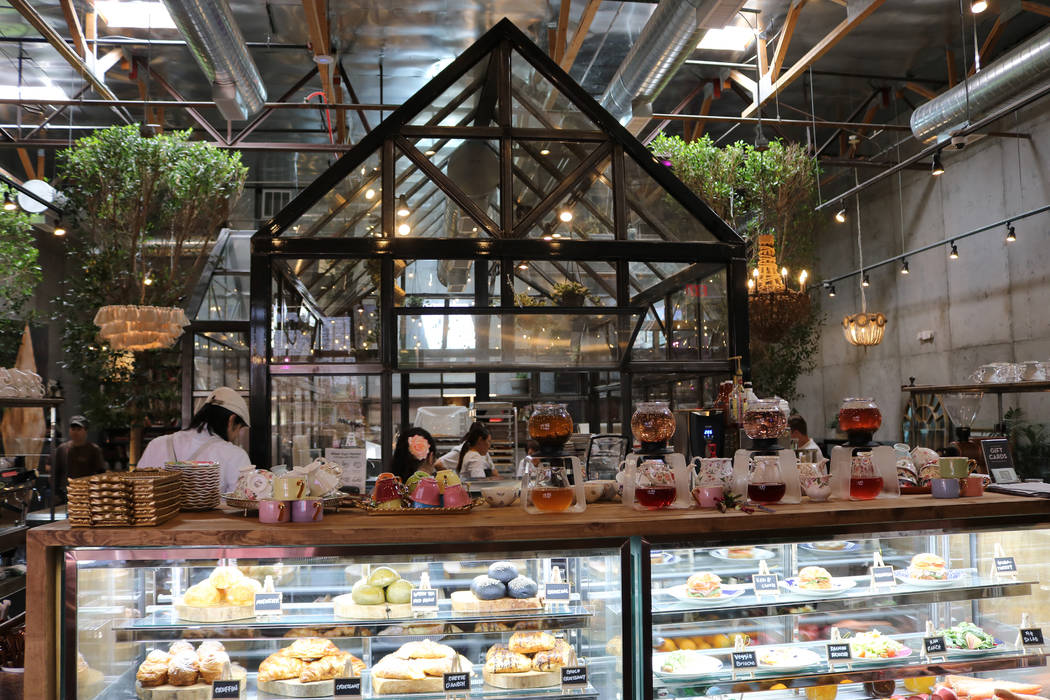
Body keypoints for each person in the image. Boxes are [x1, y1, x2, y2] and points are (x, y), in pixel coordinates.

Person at [138, 387, 251, 494]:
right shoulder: (235, 455)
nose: (236, 435)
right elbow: (241, 503)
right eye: (239, 428)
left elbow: (138, 490)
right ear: (231, 420)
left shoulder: (156, 444)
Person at [54, 415, 105, 497]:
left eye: (79, 429)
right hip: (65, 493)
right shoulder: (62, 449)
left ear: (85, 431)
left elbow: (100, 473)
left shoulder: (94, 449)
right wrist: (56, 493)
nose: (75, 432)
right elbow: (56, 473)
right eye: (73, 429)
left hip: (87, 493)